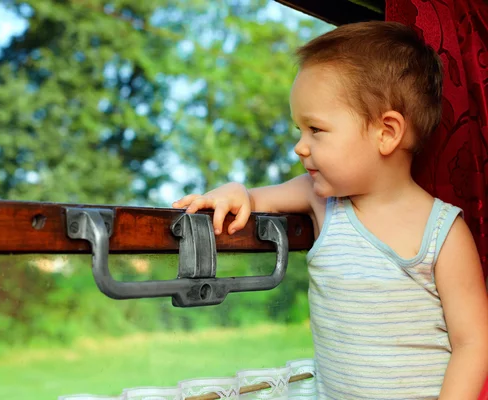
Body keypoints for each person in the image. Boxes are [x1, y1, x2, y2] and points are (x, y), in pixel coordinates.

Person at [173, 21, 488, 399]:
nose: (300, 147)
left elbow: (474, 342)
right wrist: (234, 191)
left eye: (315, 130)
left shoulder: (444, 233)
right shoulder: (322, 201)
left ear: (386, 133)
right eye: (298, 130)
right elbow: (255, 199)